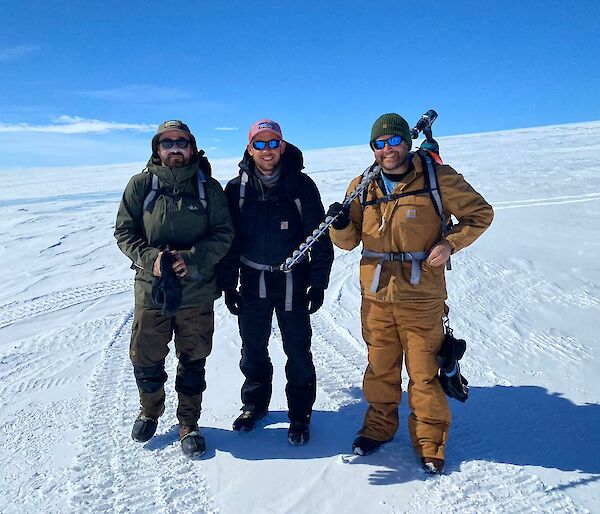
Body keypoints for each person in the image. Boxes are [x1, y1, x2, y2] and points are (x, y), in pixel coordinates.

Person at [327, 113, 493, 473]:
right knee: (380, 369)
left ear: (407, 142)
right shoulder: (362, 186)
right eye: (379, 144)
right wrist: (339, 225)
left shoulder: (438, 179)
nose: (387, 150)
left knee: (424, 373)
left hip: (421, 297)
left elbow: (480, 214)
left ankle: (430, 442)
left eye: (393, 141)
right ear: (373, 148)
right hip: (375, 298)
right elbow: (348, 241)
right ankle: (377, 428)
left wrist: (451, 244)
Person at [115, 120, 234, 457]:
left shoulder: (208, 189)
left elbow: (224, 234)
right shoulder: (140, 185)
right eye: (167, 143)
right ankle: (150, 411)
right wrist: (150, 257)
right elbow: (124, 232)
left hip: (195, 292)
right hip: (151, 290)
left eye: (182, 142)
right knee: (146, 357)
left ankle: (188, 422)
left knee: (193, 358)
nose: (175, 148)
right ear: (158, 149)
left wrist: (192, 259)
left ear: (192, 148)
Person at [218, 119, 334, 445]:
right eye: (260, 144)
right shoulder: (236, 190)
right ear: (249, 148)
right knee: (253, 348)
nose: (267, 150)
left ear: (282, 146)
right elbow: (229, 241)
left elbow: (319, 237)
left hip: (292, 281)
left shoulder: (300, 186)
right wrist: (228, 285)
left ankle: (300, 414)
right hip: (252, 279)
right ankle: (254, 404)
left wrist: (319, 282)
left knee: (297, 350)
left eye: (273, 143)